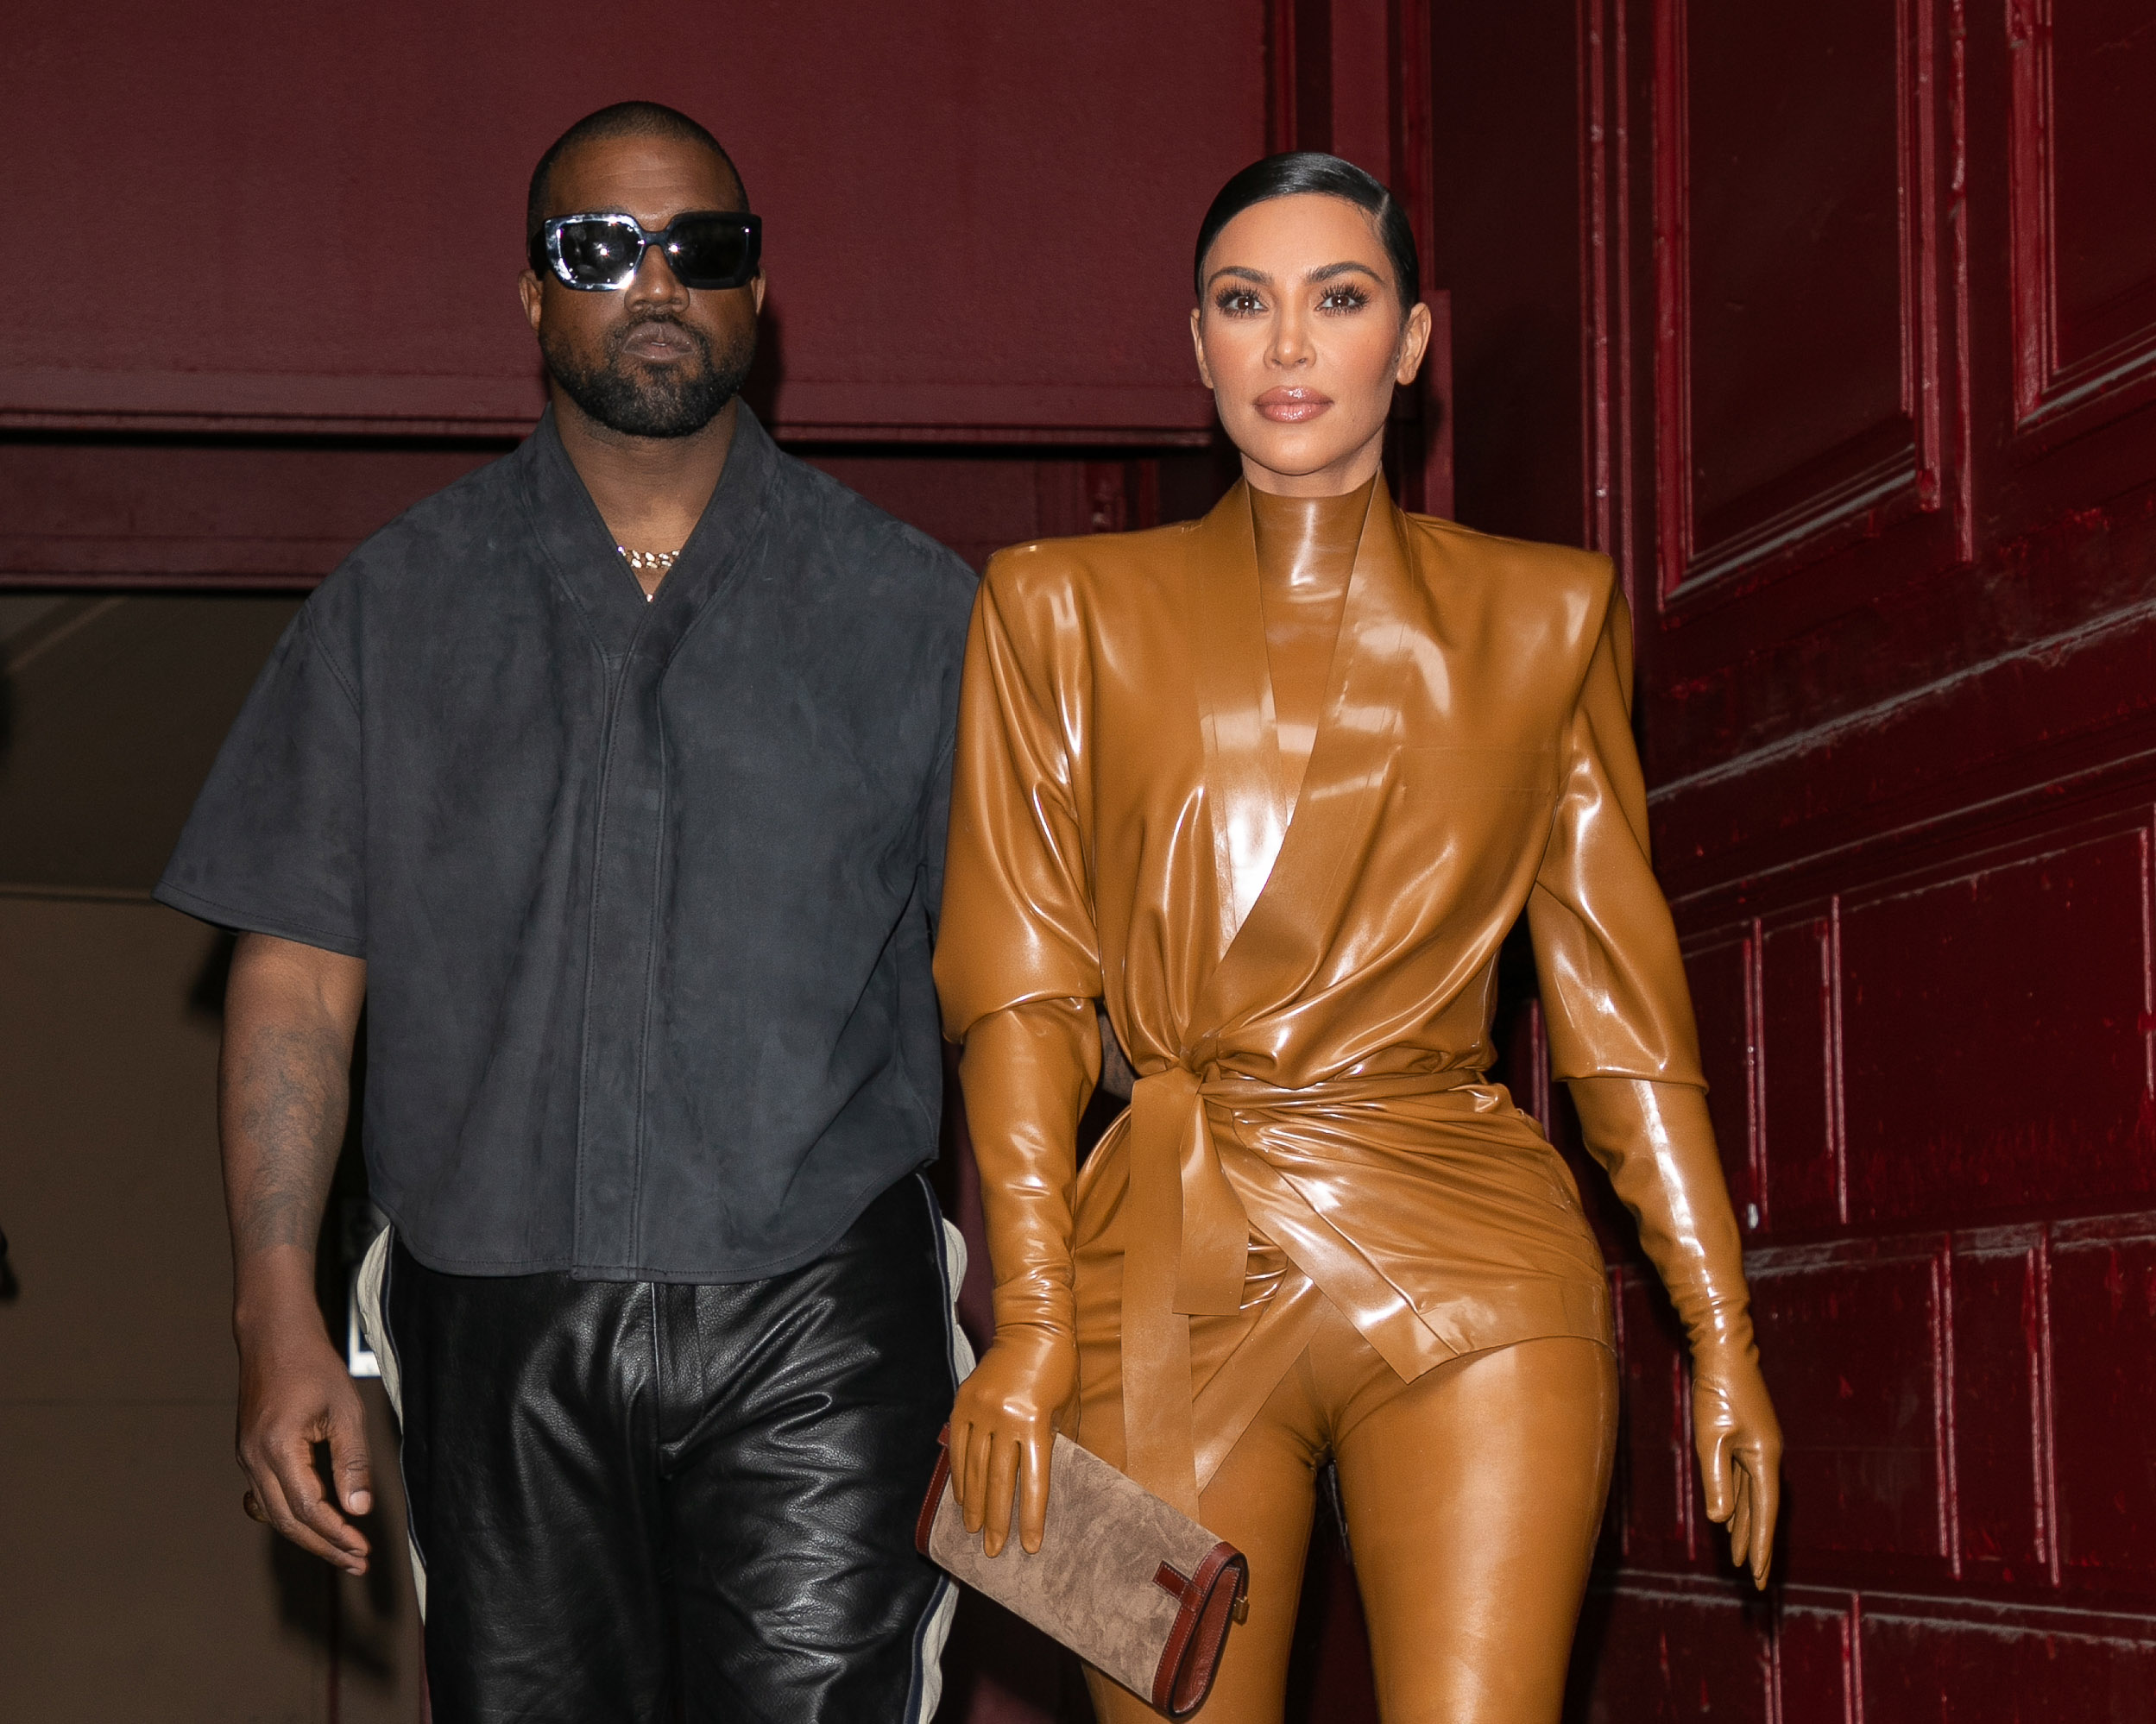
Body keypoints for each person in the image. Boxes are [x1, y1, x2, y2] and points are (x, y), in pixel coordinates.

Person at [934, 153, 1782, 1722]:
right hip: (1151, 1272)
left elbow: (1618, 1015)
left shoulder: (1547, 616)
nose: (1288, 344)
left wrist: (1718, 1327)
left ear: (1410, 341)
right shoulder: (1052, 609)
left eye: (1338, 299)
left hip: (1470, 1252)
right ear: (1195, 343)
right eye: (1241, 302)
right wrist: (1031, 1322)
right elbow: (1019, 987)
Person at [156, 102, 976, 1723]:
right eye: (599, 248)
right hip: (491, 1317)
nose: (655, 282)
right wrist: (273, 1309)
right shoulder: (393, 608)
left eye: (702, 248)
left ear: (758, 294)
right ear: (531, 295)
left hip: (822, 1317)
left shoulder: (917, 610)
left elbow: (1018, 992)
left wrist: (1060, 1320)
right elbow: (298, 980)